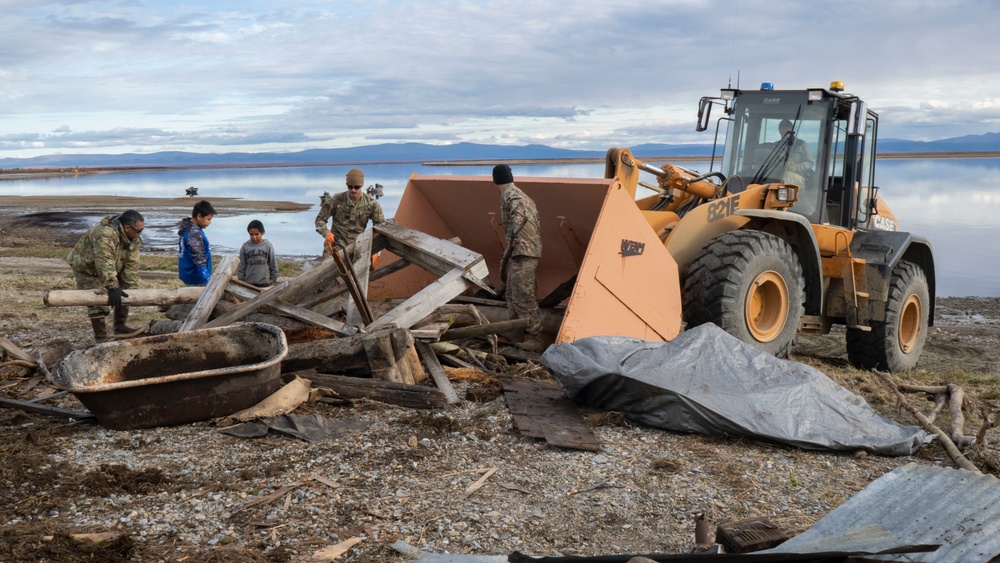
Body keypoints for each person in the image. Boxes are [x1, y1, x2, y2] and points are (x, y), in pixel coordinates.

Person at [67, 210, 146, 344]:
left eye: (142, 230)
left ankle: (120, 328)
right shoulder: (104, 234)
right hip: (87, 267)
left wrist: (131, 290)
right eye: (138, 231)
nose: (140, 234)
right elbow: (104, 261)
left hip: (113, 264)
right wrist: (112, 286)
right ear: (127, 228)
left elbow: (131, 263)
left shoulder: (133, 238)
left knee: (126, 290)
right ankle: (101, 337)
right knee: (96, 299)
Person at [493, 164, 544, 352]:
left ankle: (536, 338)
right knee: (511, 294)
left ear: (495, 180)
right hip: (519, 251)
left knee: (523, 296)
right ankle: (515, 332)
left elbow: (518, 206)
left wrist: (515, 225)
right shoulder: (520, 193)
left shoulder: (511, 193)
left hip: (525, 251)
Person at [314, 168, 385, 258]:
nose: (353, 190)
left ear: (361, 186)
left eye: (356, 187)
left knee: (362, 269)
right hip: (336, 244)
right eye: (350, 187)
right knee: (328, 269)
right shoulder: (336, 200)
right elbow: (319, 220)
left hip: (358, 246)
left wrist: (375, 250)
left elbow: (380, 227)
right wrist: (326, 233)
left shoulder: (371, 203)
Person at [178, 200, 216, 286]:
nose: (210, 222)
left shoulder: (187, 229)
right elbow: (198, 256)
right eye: (208, 219)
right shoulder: (194, 233)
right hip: (196, 278)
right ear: (199, 216)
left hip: (187, 275)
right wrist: (206, 278)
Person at [238, 219, 279, 288]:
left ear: (262, 233)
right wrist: (241, 278)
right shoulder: (245, 246)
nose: (254, 237)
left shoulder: (268, 246)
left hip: (265, 283)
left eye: (257, 234)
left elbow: (273, 263)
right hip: (248, 283)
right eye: (251, 234)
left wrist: (273, 278)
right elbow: (242, 264)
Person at [779, 119, 813, 186]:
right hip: (779, 173)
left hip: (799, 176)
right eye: (781, 128)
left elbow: (809, 163)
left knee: (784, 176)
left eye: (786, 128)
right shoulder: (776, 146)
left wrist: (796, 167)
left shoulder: (802, 144)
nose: (784, 130)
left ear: (791, 129)